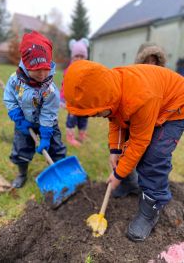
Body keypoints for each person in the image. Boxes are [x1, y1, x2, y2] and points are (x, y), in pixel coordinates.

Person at [63, 60, 184, 242]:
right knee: (123, 152)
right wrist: (115, 150)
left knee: (153, 156)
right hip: (150, 102)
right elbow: (115, 118)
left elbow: (139, 142)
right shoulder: (112, 89)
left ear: (105, 100)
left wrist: (119, 174)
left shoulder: (139, 98)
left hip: (174, 107)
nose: (95, 117)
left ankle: (151, 207)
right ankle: (130, 184)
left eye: (95, 114)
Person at [3, 31, 66, 188]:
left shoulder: (49, 88)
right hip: (23, 122)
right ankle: (22, 173)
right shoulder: (15, 80)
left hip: (47, 123)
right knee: (21, 148)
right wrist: (18, 118)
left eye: (46, 68)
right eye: (37, 69)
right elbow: (9, 97)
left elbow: (49, 112)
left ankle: (59, 171)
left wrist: (45, 134)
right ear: (26, 65)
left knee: (56, 147)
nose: (42, 74)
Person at [113, 42, 167, 198]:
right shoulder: (132, 77)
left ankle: (143, 187)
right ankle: (126, 182)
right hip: (132, 121)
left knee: (148, 155)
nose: (151, 64)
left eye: (154, 61)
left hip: (154, 123)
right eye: (147, 60)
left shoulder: (162, 79)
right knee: (124, 151)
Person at [60, 38, 89, 147]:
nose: (79, 58)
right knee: (72, 119)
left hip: (84, 102)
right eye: (76, 56)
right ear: (72, 57)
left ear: (85, 57)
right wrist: (62, 99)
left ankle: (82, 135)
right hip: (72, 102)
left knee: (84, 119)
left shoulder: (87, 70)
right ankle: (70, 137)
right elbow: (64, 85)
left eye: (82, 56)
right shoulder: (69, 70)